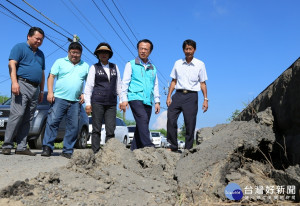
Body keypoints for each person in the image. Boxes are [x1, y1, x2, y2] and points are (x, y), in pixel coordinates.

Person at [2, 27, 45, 156]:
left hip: (35, 88)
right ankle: (7, 144)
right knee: (17, 114)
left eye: (41, 40)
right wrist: (14, 83)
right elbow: (12, 64)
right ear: (29, 36)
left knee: (28, 118)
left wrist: (42, 91)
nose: (39, 41)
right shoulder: (19, 47)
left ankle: (21, 147)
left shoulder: (41, 54)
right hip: (22, 84)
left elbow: (42, 73)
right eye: (37, 38)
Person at [41, 42, 89, 159]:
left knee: (73, 126)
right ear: (68, 52)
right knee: (52, 122)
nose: (75, 55)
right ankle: (47, 147)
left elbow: (89, 83)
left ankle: (67, 150)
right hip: (59, 98)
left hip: (75, 101)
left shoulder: (85, 66)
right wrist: (50, 92)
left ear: (81, 54)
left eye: (77, 53)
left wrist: (84, 94)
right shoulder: (60, 62)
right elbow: (51, 76)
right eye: (73, 52)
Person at [166, 39, 208, 152]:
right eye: (186, 49)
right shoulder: (177, 63)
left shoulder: (200, 64)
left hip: (191, 96)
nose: (188, 51)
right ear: (183, 50)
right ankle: (173, 145)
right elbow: (173, 81)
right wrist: (169, 96)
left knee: (190, 122)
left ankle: (188, 148)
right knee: (171, 118)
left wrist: (205, 99)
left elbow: (203, 83)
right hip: (178, 95)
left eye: (190, 49)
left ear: (194, 50)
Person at [120, 39, 160, 151]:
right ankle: (148, 145)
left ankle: (134, 150)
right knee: (142, 119)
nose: (143, 51)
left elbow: (155, 85)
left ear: (150, 51)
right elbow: (125, 82)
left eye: (145, 49)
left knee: (142, 124)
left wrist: (157, 101)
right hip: (135, 97)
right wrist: (124, 99)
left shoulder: (153, 68)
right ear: (138, 49)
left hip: (148, 100)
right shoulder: (131, 64)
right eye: (141, 48)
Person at [84, 42, 122, 153]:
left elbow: (119, 85)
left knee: (111, 129)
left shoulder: (115, 67)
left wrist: (123, 100)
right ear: (98, 54)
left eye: (106, 52)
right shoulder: (94, 67)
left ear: (109, 54)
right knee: (96, 128)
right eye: (101, 52)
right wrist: (88, 104)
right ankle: (95, 152)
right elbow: (89, 86)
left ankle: (109, 153)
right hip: (97, 102)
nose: (103, 54)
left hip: (111, 102)